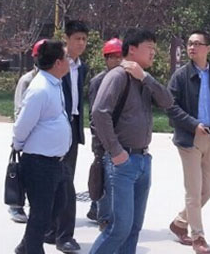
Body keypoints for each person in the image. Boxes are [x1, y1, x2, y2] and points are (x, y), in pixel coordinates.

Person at [90, 29, 173, 254]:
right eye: (149, 48)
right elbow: (99, 113)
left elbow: (167, 101)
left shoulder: (143, 78)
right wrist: (116, 151)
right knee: (119, 229)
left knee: (134, 228)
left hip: (143, 159)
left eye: (154, 48)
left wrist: (145, 77)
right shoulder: (117, 76)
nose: (153, 53)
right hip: (122, 163)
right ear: (132, 49)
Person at [167, 30, 210, 254]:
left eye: (197, 44)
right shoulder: (180, 76)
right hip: (189, 139)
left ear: (208, 48)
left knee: (208, 189)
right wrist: (193, 125)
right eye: (189, 44)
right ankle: (198, 237)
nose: (192, 47)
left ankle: (180, 222)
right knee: (193, 191)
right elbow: (170, 106)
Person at [13, 40, 73, 254]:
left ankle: (24, 247)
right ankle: (31, 249)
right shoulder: (40, 89)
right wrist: (18, 145)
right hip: (39, 163)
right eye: (66, 57)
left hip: (56, 161)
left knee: (57, 207)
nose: (69, 61)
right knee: (41, 215)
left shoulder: (54, 83)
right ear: (58, 63)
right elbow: (22, 125)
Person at [45, 20, 89, 253]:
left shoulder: (81, 67)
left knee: (66, 181)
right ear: (67, 39)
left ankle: (64, 235)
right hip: (53, 126)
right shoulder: (57, 62)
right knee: (56, 181)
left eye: (84, 39)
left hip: (72, 127)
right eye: (77, 39)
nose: (81, 43)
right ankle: (53, 230)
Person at [86, 38, 123, 228]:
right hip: (103, 139)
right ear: (106, 59)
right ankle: (104, 218)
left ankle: (96, 208)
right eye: (113, 57)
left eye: (120, 56)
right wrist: (100, 140)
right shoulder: (98, 81)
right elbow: (95, 115)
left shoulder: (126, 79)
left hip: (121, 138)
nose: (117, 60)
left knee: (113, 179)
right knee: (104, 177)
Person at [9, 38, 46, 224]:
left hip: (43, 138)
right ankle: (16, 204)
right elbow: (19, 109)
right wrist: (20, 136)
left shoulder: (53, 79)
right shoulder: (27, 80)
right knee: (20, 171)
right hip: (27, 135)